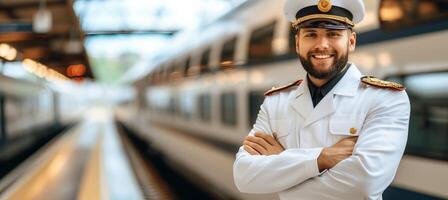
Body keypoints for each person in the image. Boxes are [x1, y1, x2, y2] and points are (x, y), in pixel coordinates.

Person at [232, 0, 410, 199]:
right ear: (298, 43)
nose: (322, 45)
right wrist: (321, 158)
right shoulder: (275, 101)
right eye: (311, 34)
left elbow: (364, 184)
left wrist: (282, 166)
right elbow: (244, 176)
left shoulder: (385, 98)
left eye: (333, 34)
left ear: (351, 42)